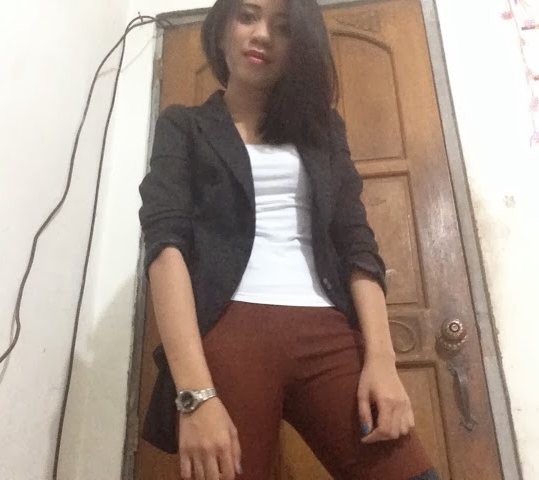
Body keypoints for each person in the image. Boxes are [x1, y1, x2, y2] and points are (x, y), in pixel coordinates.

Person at [138, 0, 439, 479]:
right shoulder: (183, 126)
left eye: (283, 27)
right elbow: (164, 248)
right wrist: (195, 395)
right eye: (248, 16)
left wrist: (382, 361)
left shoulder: (324, 131)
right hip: (228, 335)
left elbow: (357, 244)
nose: (262, 34)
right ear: (222, 30)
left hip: (327, 333)